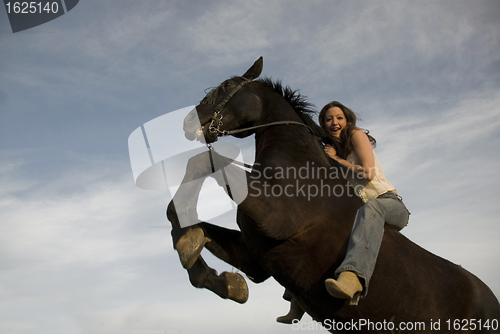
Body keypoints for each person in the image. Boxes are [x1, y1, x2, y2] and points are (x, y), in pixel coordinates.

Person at [276, 101, 410, 323]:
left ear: (347, 120)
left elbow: (367, 174)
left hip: (389, 204)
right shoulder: (332, 153)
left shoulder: (356, 135)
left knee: (372, 206)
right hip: (364, 213)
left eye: (338, 117)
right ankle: (297, 301)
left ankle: (354, 278)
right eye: (328, 119)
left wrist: (336, 159)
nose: (334, 122)